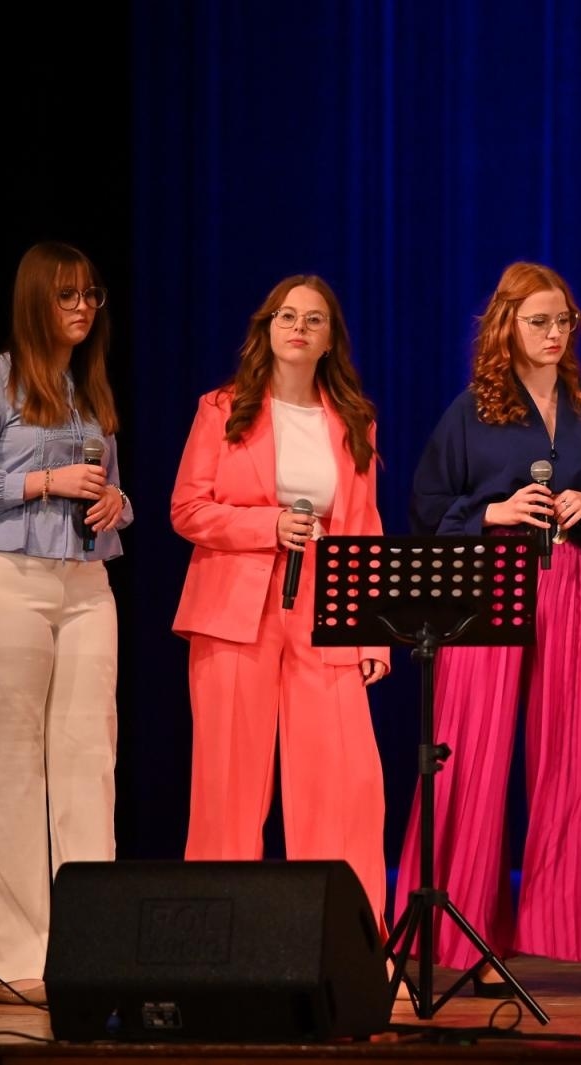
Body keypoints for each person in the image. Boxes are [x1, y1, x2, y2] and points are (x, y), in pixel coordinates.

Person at [394, 261, 581, 998]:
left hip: (571, 590)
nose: (554, 334)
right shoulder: (472, 412)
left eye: (564, 321)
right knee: (469, 763)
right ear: (506, 326)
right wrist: (492, 513)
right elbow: (426, 508)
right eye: (539, 320)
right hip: (489, 588)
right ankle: (465, 940)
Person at [0, 242, 133, 1005]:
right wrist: (39, 479)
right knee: (10, 764)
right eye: (67, 296)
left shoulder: (87, 390)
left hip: (84, 582)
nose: (81, 309)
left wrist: (118, 502)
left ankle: (91, 946)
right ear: (35, 302)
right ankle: (8, 957)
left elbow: (108, 489)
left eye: (92, 296)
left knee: (87, 762)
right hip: (3, 579)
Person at [171, 274, 390, 926]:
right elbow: (187, 507)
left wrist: (372, 633)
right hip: (235, 610)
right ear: (267, 327)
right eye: (287, 315)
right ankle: (213, 938)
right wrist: (265, 525)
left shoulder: (354, 421)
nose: (299, 326)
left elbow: (363, 531)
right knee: (229, 788)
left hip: (323, 614)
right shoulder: (222, 408)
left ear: (329, 339)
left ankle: (348, 940)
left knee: (344, 784)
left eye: (314, 319)